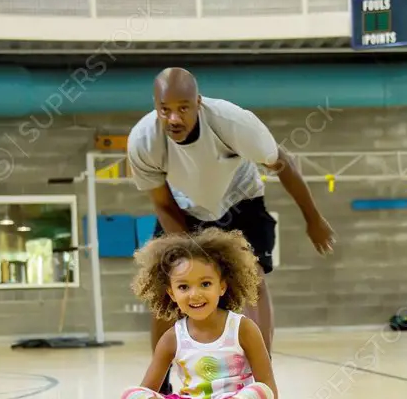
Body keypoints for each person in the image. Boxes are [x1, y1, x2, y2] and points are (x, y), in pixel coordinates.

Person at [127, 67, 335, 368]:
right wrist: (191, 252)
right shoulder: (144, 141)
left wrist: (313, 219)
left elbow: (284, 163)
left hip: (242, 202)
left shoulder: (232, 122)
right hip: (183, 208)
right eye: (165, 110)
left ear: (198, 103)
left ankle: (260, 376)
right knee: (168, 286)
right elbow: (162, 203)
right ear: (155, 107)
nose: (174, 118)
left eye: (183, 108)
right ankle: (162, 381)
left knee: (254, 280)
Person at [106, 227, 277, 399]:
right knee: (131, 396)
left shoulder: (243, 328)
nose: (194, 294)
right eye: (184, 287)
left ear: (222, 286)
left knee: (261, 393)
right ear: (172, 293)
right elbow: (148, 388)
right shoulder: (171, 338)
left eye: (205, 284)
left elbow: (267, 383)